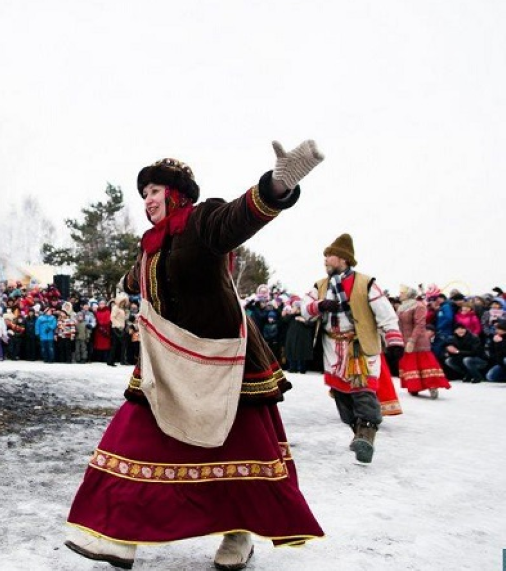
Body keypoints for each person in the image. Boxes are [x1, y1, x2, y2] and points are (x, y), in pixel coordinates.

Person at [66, 142, 325, 570]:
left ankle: (239, 534)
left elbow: (240, 216)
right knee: (133, 436)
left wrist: (277, 185)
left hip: (223, 361)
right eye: (144, 193)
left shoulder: (203, 221)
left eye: (154, 191)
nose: (147, 200)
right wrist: (124, 286)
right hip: (166, 362)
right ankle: (120, 535)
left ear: (177, 193)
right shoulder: (150, 245)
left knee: (239, 451)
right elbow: (138, 277)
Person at [304, 233, 404, 464]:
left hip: (360, 346)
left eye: (329, 255)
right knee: (341, 395)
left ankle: (366, 437)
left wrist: (394, 341)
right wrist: (319, 305)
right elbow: (303, 308)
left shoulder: (365, 284)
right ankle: (359, 434)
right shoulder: (321, 285)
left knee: (363, 391)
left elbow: (386, 314)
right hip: (332, 347)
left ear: (343, 258)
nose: (325, 259)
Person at [396, 286, 451, 398]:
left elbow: (420, 324)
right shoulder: (401, 307)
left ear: (409, 294)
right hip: (405, 339)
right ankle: (414, 386)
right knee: (410, 363)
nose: (400, 294)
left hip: (418, 340)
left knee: (425, 363)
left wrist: (412, 340)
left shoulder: (419, 306)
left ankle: (432, 386)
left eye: (402, 293)